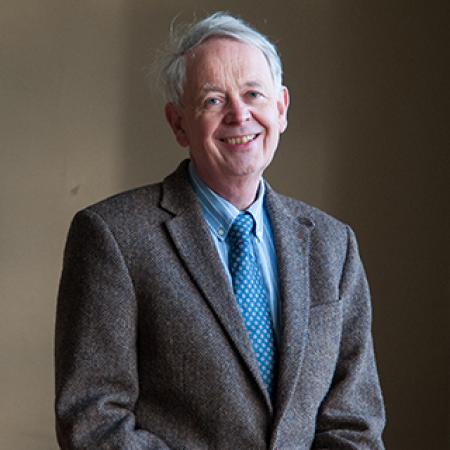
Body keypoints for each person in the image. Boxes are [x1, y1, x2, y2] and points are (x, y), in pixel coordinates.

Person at [55, 12, 385, 449]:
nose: (239, 114)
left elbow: (355, 422)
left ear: (281, 108)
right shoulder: (113, 237)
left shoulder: (332, 245)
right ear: (178, 123)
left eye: (254, 94)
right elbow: (92, 419)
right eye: (213, 100)